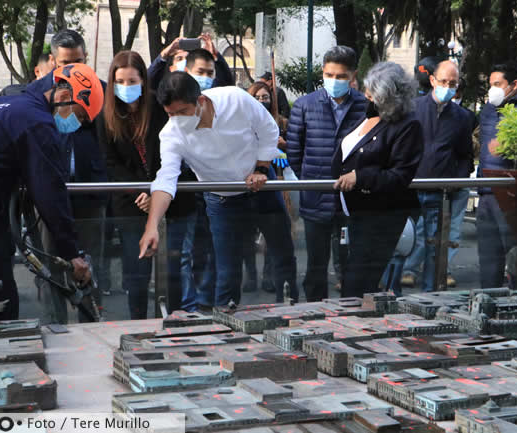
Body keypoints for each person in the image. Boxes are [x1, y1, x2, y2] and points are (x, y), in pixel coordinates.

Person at [0, 63, 103, 321]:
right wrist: (73, 253)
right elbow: (50, 193)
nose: (77, 124)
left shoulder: (0, 105)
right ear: (62, 96)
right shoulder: (38, 121)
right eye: (80, 116)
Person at [138, 72, 283, 307]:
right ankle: (227, 326)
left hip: (261, 183)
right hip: (221, 200)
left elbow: (268, 130)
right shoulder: (171, 134)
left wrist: (262, 169)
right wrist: (152, 225)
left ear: (201, 101)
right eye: (170, 114)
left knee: (282, 253)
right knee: (226, 272)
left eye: (182, 112)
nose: (177, 119)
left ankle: (293, 310)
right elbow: (166, 178)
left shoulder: (235, 99)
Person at [97, 50, 195, 318]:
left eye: (132, 81)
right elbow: (111, 163)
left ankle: (175, 323)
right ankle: (137, 326)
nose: (126, 87)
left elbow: (175, 152)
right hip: (130, 204)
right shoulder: (105, 116)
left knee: (174, 269)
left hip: (170, 200)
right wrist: (141, 191)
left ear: (143, 80)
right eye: (121, 82)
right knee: (137, 274)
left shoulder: (159, 109)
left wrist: (156, 191)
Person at [26, 29, 109, 323]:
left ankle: (91, 324)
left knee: (89, 264)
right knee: (53, 264)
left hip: (89, 193)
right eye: (64, 64)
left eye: (78, 62)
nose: (72, 70)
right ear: (52, 61)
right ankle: (56, 325)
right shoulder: (37, 94)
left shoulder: (101, 89)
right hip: (50, 194)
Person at [332, 61, 423, 298]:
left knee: (358, 287)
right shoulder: (368, 116)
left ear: (388, 96)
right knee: (350, 283)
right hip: (351, 212)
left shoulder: (407, 126)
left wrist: (360, 177)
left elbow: (400, 175)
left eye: (372, 92)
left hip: (379, 216)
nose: (365, 95)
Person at [287, 46, 367, 301]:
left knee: (350, 264)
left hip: (352, 199)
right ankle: (313, 313)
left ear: (353, 76)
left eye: (341, 76)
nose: (334, 81)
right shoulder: (304, 105)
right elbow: (294, 151)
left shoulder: (365, 107)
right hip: (316, 197)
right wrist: (310, 180)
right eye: (329, 75)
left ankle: (350, 313)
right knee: (315, 266)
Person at [401, 61, 474, 293]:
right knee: (402, 241)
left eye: (452, 83)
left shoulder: (462, 117)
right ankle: (393, 291)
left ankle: (431, 296)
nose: (447, 87)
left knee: (434, 246)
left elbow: (465, 157)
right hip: (409, 189)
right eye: (443, 81)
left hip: (438, 191)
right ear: (432, 81)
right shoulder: (412, 108)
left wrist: (455, 181)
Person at [243, 81, 299, 301]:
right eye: (257, 97)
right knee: (247, 236)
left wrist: (283, 145)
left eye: (265, 97)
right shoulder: (244, 123)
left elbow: (295, 150)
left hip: (276, 182)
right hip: (248, 184)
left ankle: (270, 276)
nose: (261, 101)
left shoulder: (282, 123)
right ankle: (251, 275)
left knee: (273, 237)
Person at [477, 63, 517, 288]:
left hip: (511, 194)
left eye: (497, 84)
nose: (492, 90)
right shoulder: (488, 110)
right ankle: (487, 303)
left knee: (516, 258)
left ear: (514, 85)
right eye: (490, 85)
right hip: (486, 192)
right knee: (488, 260)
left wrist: (512, 145)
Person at [148, 34, 233, 91]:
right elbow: (148, 82)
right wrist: (164, 55)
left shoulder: (209, 91)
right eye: (179, 58)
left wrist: (215, 55)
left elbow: (226, 82)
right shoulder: (167, 91)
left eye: (188, 58)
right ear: (171, 68)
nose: (184, 61)